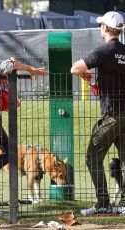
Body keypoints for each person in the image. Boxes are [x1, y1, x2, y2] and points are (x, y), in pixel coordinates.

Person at [0, 24, 47, 216]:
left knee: (7, 152)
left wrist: (12, 64)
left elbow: (4, 67)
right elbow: (7, 66)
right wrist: (32, 69)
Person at [71, 11, 125, 215]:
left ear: (105, 28)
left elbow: (74, 68)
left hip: (112, 113)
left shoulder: (103, 51)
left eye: (101, 25)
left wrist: (85, 73)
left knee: (92, 157)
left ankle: (103, 202)